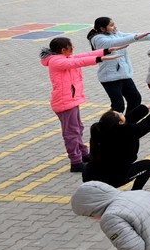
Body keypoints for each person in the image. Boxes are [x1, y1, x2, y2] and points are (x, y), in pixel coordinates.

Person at [41, 37, 120, 172]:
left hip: (71, 100)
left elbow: (83, 55)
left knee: (78, 127)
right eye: (71, 47)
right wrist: (99, 59)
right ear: (63, 50)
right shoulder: (56, 61)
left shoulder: (64, 58)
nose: (73, 49)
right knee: (71, 132)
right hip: (64, 102)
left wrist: (105, 51)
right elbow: (79, 61)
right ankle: (75, 162)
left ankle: (83, 153)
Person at [83, 100, 150, 190]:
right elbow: (147, 124)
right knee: (148, 165)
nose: (121, 113)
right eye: (120, 114)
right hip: (111, 179)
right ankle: (135, 192)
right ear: (119, 123)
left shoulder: (101, 129)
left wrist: (146, 107)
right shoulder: (127, 133)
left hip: (90, 176)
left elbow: (127, 119)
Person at [87, 18, 150, 112]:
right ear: (102, 29)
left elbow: (131, 35)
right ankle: (110, 125)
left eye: (113, 24)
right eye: (111, 25)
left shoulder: (116, 33)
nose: (114, 26)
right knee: (118, 106)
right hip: (110, 77)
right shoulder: (98, 39)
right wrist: (134, 38)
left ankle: (128, 121)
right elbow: (117, 42)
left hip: (123, 74)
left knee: (135, 99)